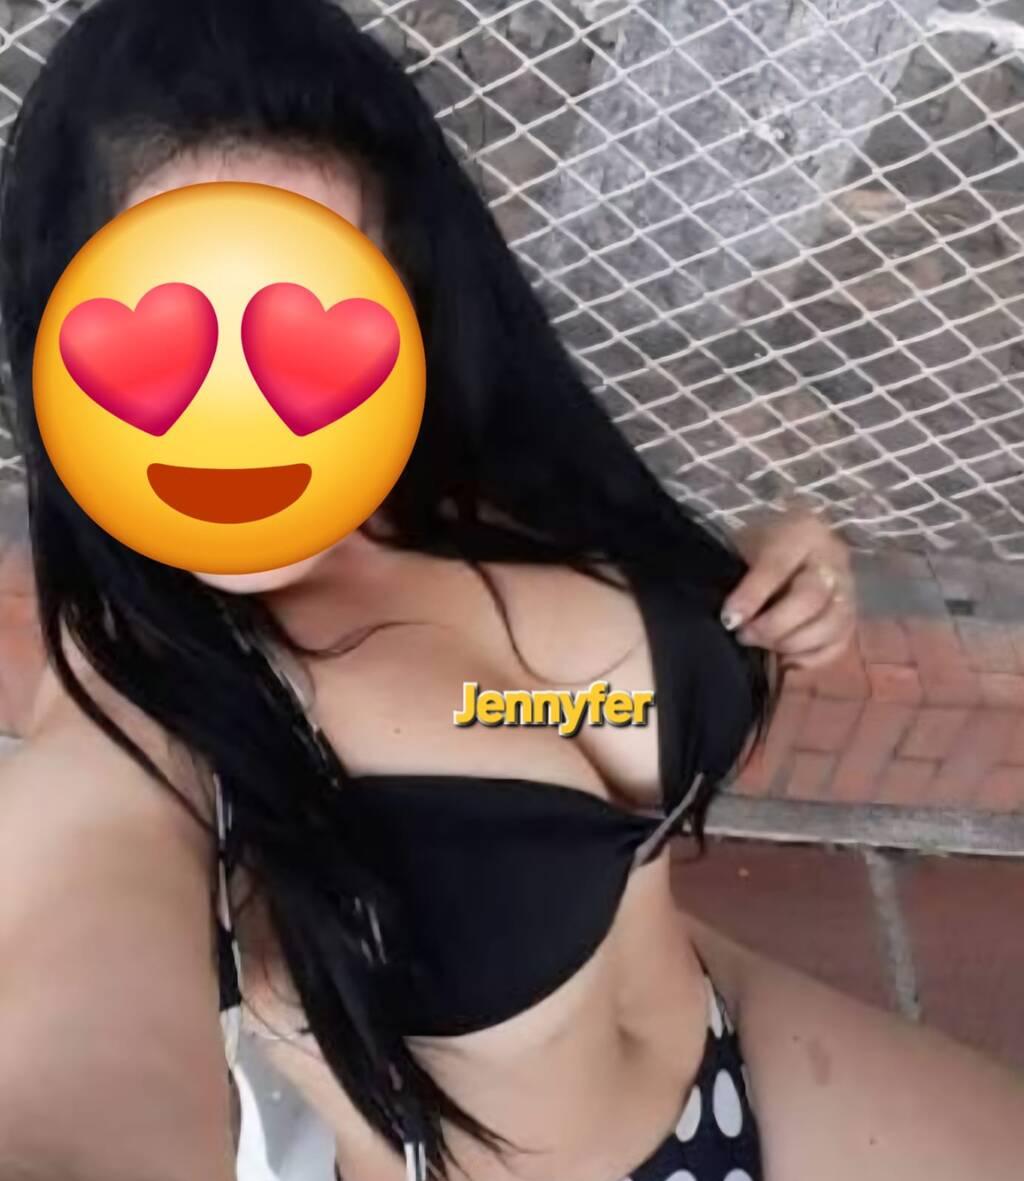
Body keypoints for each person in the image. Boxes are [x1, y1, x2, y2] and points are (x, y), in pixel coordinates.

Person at [0, 3, 1021, 1181]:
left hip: (733, 1032)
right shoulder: (139, 704)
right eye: (168, 331)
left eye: (302, 322)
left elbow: (546, 717)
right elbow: (71, 1047)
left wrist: (772, 571)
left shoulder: (476, 471)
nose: (239, 412)